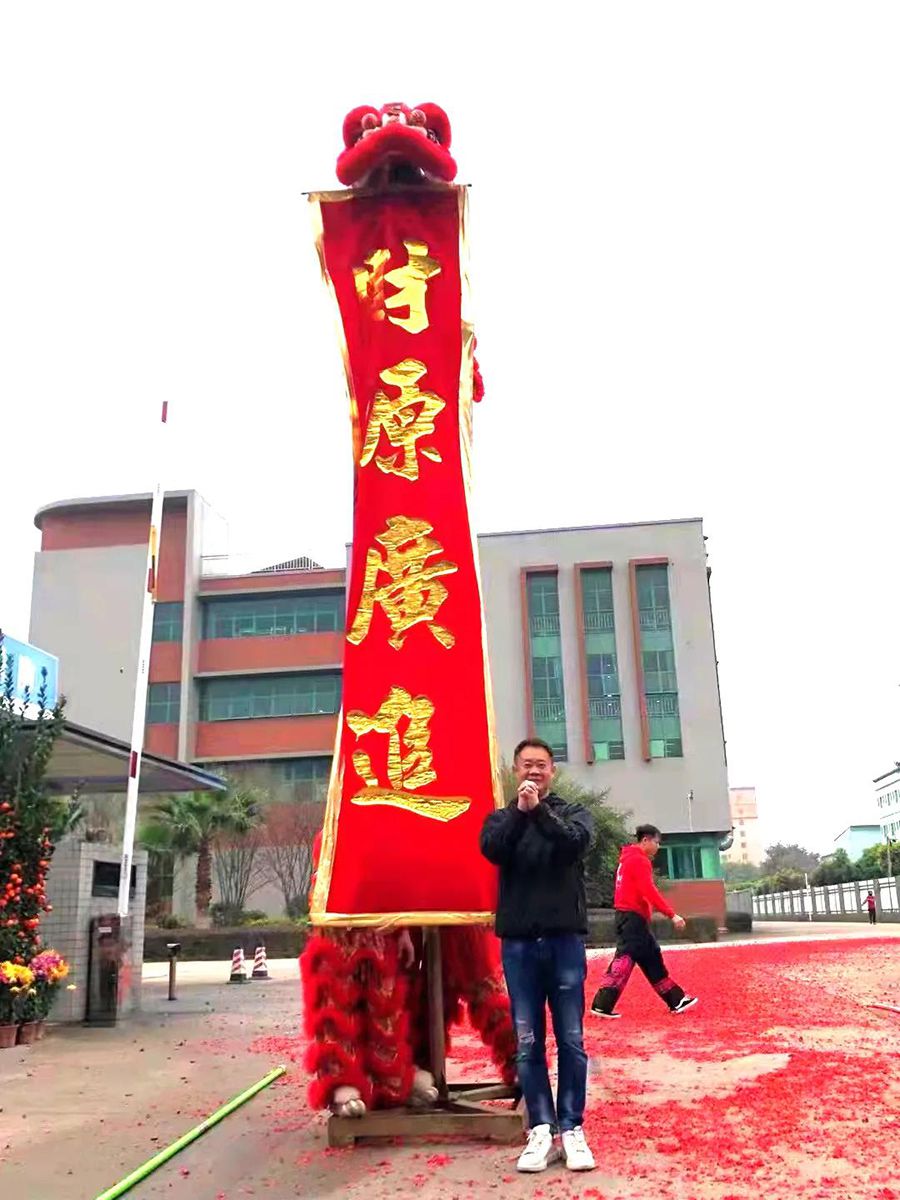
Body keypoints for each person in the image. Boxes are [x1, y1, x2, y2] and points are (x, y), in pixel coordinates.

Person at [480, 738, 595, 1174]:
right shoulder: (500, 819)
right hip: (519, 946)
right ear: (515, 770)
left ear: (552, 772)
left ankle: (572, 1128)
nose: (534, 771)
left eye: (541, 765)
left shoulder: (572, 814)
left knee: (572, 1040)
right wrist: (520, 812)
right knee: (527, 1042)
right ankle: (541, 1130)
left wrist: (540, 812)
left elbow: (574, 845)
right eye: (527, 764)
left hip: (565, 941)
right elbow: (492, 850)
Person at [590, 824, 698, 1019]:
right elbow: (648, 890)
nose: (658, 846)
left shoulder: (627, 859)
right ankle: (602, 1004)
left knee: (651, 957)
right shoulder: (639, 860)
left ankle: (676, 999)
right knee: (624, 959)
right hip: (633, 918)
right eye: (656, 842)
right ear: (645, 840)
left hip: (629, 917)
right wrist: (671, 914)